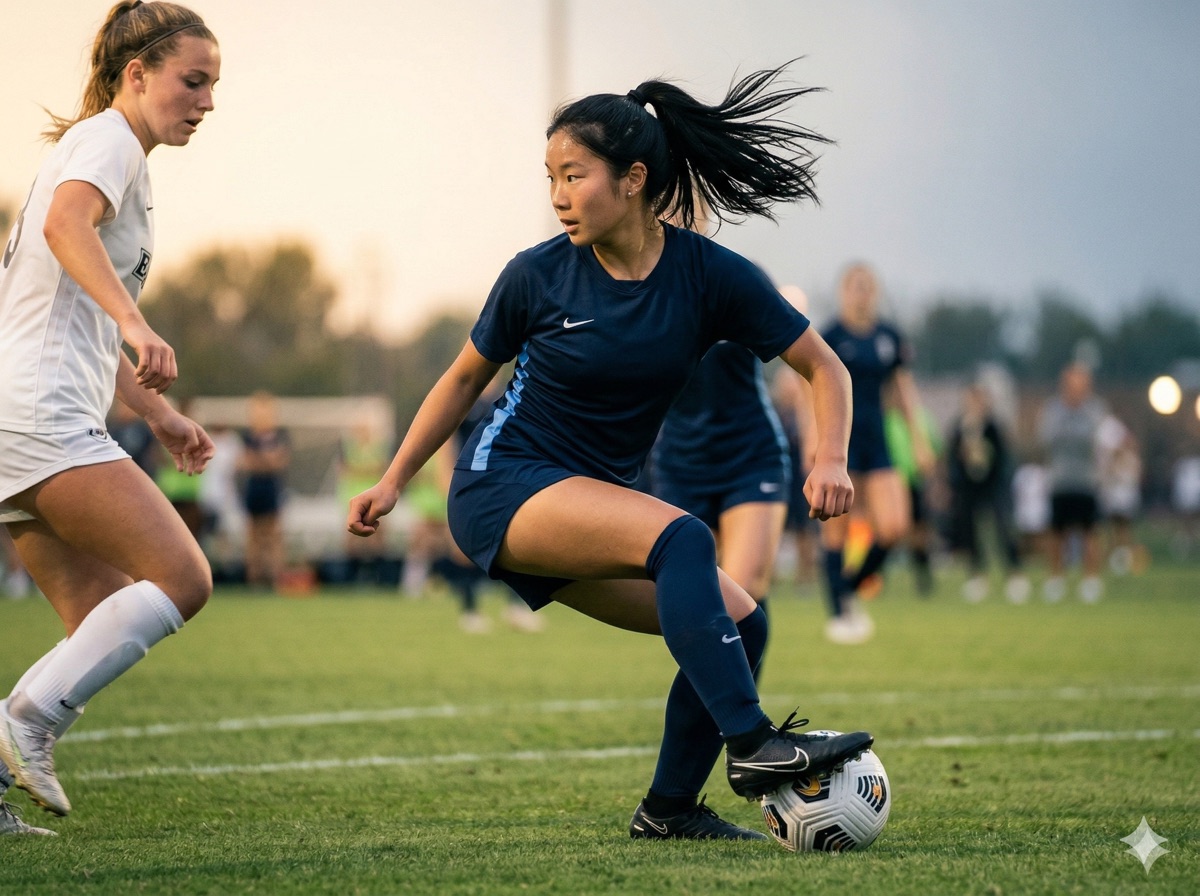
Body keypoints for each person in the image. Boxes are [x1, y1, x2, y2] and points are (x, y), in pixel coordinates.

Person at [348, 64, 873, 842]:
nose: (558, 195)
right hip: (504, 486)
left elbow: (823, 365)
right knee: (684, 539)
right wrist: (394, 479)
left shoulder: (709, 276)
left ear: (632, 179)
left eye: (574, 175)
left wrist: (829, 457)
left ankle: (667, 810)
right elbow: (461, 381)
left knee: (744, 621)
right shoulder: (536, 275)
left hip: (578, 507)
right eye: (550, 177)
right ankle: (755, 745)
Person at [0, 1, 220, 833]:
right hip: (40, 413)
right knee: (183, 579)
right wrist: (136, 324)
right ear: (137, 74)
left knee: (98, 615)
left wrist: (156, 414)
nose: (204, 101)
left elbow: (74, 307)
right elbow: (65, 226)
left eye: (212, 87)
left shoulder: (111, 152)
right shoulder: (108, 141)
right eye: (191, 81)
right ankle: (24, 723)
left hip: (18, 411)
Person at [818, 263, 933, 644]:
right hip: (841, 442)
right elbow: (810, 384)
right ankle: (838, 614)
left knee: (895, 526)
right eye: (855, 285)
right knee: (836, 529)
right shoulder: (830, 335)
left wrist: (918, 439)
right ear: (842, 291)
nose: (862, 292)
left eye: (868, 286)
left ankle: (848, 587)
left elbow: (902, 388)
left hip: (878, 441)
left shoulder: (888, 337)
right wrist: (812, 439)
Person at [945, 382, 1028, 603]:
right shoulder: (960, 428)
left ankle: (1015, 574)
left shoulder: (994, 427)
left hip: (994, 486)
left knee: (1003, 527)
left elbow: (1004, 458)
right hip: (968, 488)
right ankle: (977, 576)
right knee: (970, 530)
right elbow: (952, 459)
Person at [1037, 362, 1107, 603]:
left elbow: (1093, 438)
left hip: (1087, 479)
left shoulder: (1094, 409)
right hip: (1060, 479)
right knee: (1057, 533)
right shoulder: (1053, 409)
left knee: (1090, 531)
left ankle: (1090, 579)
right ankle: (1056, 578)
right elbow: (1047, 438)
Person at [238, 391, 290, 589]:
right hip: (254, 489)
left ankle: (275, 578)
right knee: (253, 536)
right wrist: (267, 460)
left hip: (272, 489)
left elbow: (281, 461)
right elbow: (247, 462)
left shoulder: (281, 434)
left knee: (273, 535)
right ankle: (254, 579)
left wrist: (262, 460)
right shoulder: (247, 436)